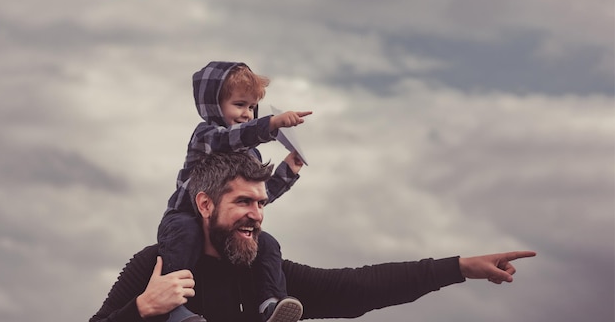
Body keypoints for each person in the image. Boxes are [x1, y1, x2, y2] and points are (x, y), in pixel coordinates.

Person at [90, 152, 537, 322]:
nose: (257, 215)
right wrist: (142, 309)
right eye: (244, 202)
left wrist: (458, 268)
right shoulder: (154, 267)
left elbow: (356, 287)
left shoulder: (268, 276)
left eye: (262, 204)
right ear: (205, 205)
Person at [158, 62, 312, 322]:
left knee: (268, 243)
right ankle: (174, 309)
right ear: (214, 105)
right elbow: (231, 138)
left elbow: (256, 198)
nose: (247, 114)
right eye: (239, 105)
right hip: (184, 217)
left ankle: (269, 303)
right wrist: (271, 124)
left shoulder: (251, 155)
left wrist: (288, 170)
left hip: (224, 226)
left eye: (252, 108)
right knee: (186, 234)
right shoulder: (206, 136)